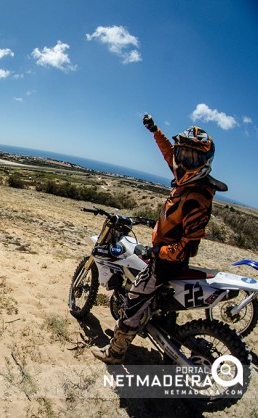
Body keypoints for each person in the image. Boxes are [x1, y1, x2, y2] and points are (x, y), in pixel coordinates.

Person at [91, 114, 227, 364]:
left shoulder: (198, 196)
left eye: (193, 157)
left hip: (167, 261)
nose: (185, 161)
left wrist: (159, 253)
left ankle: (115, 351)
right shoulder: (184, 178)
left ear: (205, 161)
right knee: (158, 299)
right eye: (184, 153)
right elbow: (168, 152)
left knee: (132, 301)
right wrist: (155, 131)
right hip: (164, 254)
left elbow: (188, 244)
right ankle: (163, 331)